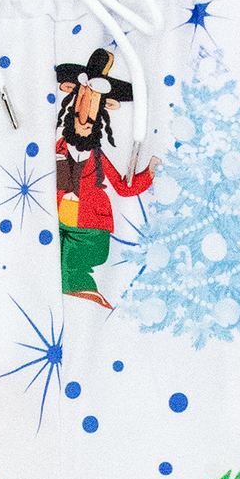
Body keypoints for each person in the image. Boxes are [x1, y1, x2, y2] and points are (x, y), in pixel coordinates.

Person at [54, 47, 158, 308]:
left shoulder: (98, 158)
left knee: (75, 265)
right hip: (58, 221)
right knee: (51, 263)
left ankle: (85, 292)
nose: (83, 122)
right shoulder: (58, 148)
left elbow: (123, 188)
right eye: (78, 116)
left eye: (89, 120)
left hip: (89, 227)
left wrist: (149, 172)